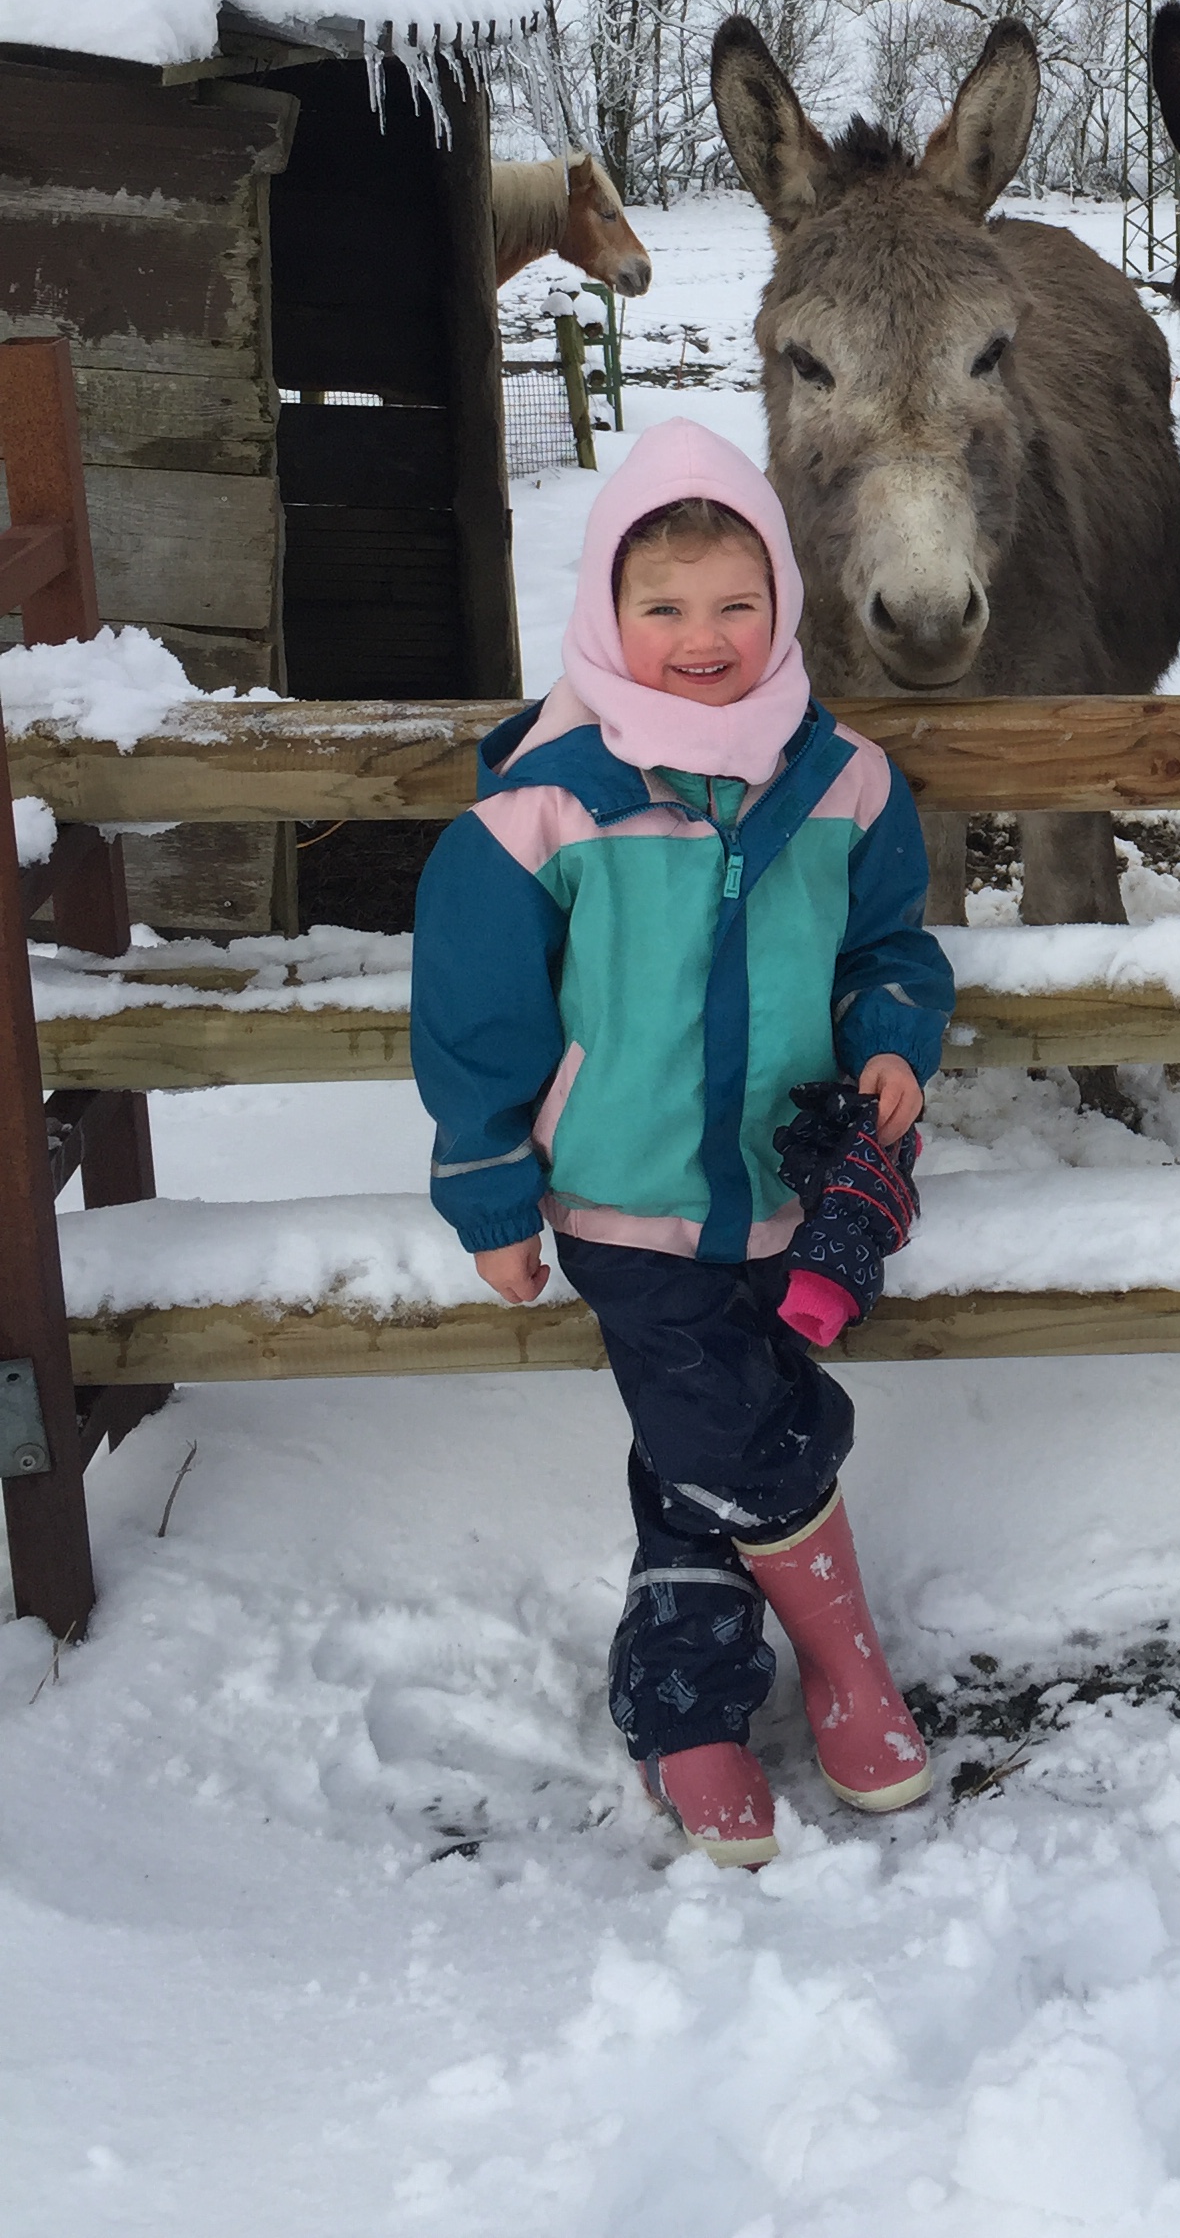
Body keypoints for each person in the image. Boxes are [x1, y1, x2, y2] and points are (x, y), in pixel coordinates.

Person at [412, 419, 955, 1863]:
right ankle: (847, 1670)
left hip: (793, 1188)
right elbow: (476, 1013)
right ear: (606, 613)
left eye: (735, 603)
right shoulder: (544, 803)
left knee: (691, 1454)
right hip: (622, 1190)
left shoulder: (844, 782)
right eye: (662, 608)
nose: (703, 639)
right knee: (743, 1428)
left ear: (784, 601)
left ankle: (686, 1708)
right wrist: (490, 1193)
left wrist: (891, 1037)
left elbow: (889, 948)